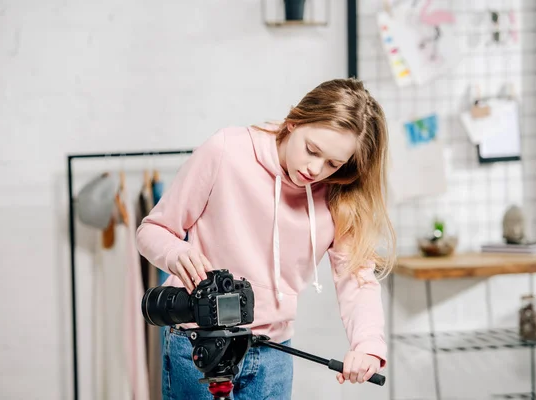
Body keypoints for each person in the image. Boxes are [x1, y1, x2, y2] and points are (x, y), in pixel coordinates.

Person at [135, 77, 397, 399]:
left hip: (273, 353)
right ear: (293, 122)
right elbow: (152, 230)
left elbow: (357, 277)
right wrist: (175, 252)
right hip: (198, 345)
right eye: (312, 150)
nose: (316, 170)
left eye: (334, 163)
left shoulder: (339, 194)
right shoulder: (226, 150)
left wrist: (368, 345)